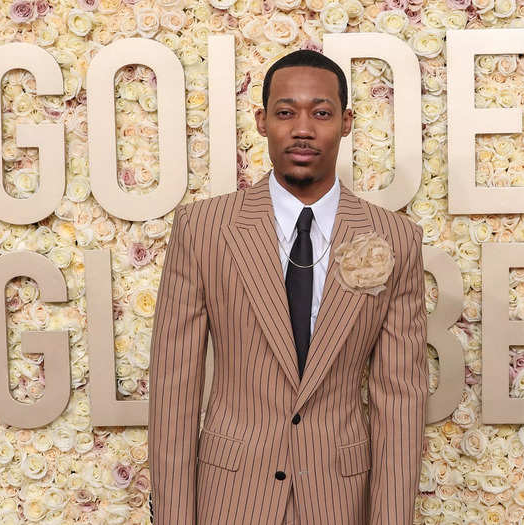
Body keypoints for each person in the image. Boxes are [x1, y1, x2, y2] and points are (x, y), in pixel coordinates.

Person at [148, 49, 428, 525]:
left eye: (321, 113)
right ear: (261, 122)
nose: (303, 128)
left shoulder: (394, 238)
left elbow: (400, 398)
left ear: (346, 122)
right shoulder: (204, 228)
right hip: (230, 497)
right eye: (285, 112)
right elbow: (174, 390)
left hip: (339, 499)